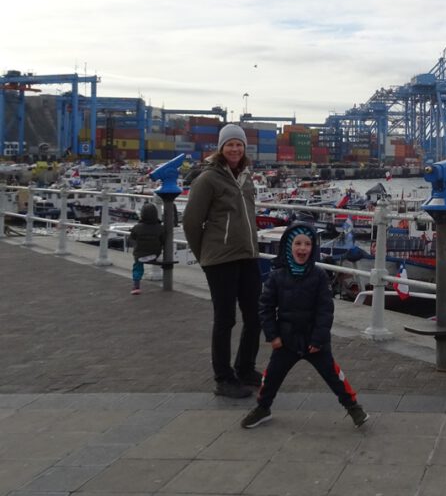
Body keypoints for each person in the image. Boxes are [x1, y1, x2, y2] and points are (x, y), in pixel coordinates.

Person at [240, 222, 367, 430]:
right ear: (288, 245)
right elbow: (266, 307)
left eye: (307, 244)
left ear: (313, 248)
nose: (302, 248)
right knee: (271, 377)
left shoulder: (318, 276)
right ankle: (263, 408)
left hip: (314, 340)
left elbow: (325, 310)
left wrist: (318, 339)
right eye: (297, 243)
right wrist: (273, 336)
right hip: (286, 339)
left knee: (334, 376)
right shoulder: (276, 276)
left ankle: (353, 407)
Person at [183, 123, 262, 399]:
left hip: (248, 256)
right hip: (220, 261)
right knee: (225, 319)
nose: (235, 149)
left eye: (238, 144)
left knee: (256, 315)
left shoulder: (247, 177)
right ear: (221, 148)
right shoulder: (208, 180)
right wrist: (204, 256)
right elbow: (192, 222)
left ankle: (245, 368)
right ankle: (223, 378)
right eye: (230, 144)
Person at [129, 202, 164, 295]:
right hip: (154, 254)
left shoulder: (137, 227)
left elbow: (131, 239)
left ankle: (136, 286)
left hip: (140, 255)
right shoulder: (160, 228)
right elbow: (163, 241)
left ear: (142, 215)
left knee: (137, 266)